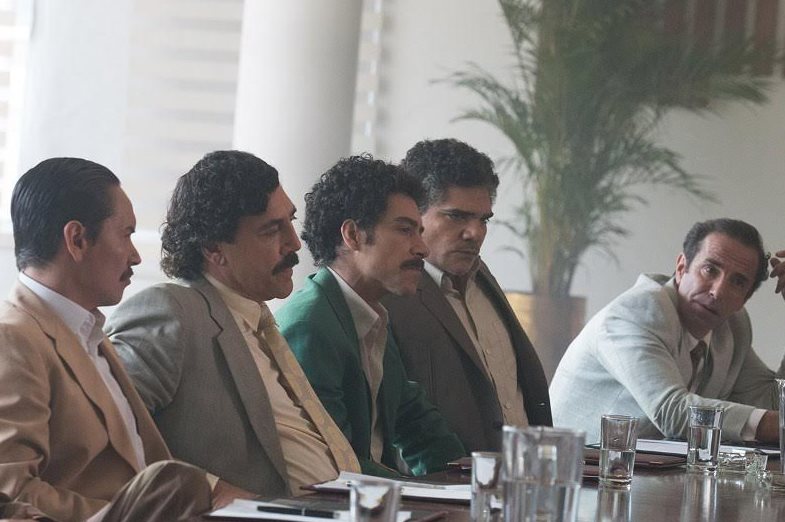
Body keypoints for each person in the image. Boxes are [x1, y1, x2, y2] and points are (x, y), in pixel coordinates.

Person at [106, 151, 360, 498]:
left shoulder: (256, 320)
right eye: (272, 230)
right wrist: (212, 492)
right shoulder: (171, 312)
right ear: (214, 249)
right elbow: (107, 437)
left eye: (290, 221)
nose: (294, 243)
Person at [0, 158, 212, 522]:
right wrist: (130, 515)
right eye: (126, 234)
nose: (136, 256)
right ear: (77, 239)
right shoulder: (14, 339)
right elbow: (12, 492)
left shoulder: (87, 332)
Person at [275, 155, 465, 476]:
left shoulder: (371, 316)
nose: (422, 248)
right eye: (405, 230)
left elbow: (419, 425)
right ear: (353, 235)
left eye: (419, 232)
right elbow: (333, 462)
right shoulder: (310, 326)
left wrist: (474, 479)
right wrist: (414, 491)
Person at [382, 139, 551, 452]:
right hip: (446, 477)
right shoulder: (389, 295)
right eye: (456, 216)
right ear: (414, 215)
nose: (475, 233)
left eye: (483, 219)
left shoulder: (481, 276)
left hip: (523, 471)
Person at [550, 218, 785, 443]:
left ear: (745, 299)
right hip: (577, 464)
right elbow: (671, 411)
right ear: (682, 267)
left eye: (738, 282)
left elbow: (773, 402)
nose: (718, 292)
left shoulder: (733, 327)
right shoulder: (637, 312)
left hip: (654, 467)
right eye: (710, 270)